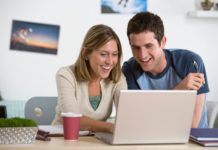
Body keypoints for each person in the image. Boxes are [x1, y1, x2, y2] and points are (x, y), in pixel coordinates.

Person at [122, 11, 209, 128]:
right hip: (151, 138)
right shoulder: (130, 70)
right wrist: (179, 90)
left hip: (194, 141)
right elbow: (139, 120)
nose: (142, 55)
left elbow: (192, 124)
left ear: (163, 42)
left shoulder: (190, 62)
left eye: (149, 46)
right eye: (136, 48)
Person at [52, 24, 127, 133]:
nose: (110, 61)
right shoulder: (66, 75)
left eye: (114, 54)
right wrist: (110, 127)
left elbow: (126, 114)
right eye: (103, 54)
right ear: (86, 53)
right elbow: (73, 119)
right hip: (63, 139)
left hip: (96, 141)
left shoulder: (118, 79)